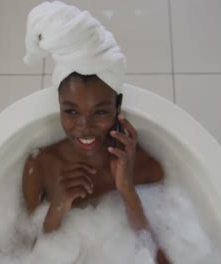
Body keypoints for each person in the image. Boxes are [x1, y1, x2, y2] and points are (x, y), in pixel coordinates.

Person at [22, 2, 170, 263]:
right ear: (59, 106)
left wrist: (125, 188)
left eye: (100, 112)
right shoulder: (41, 166)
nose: (84, 127)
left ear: (118, 107)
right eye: (71, 111)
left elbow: (155, 254)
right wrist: (57, 207)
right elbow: (27, 252)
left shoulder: (141, 165)